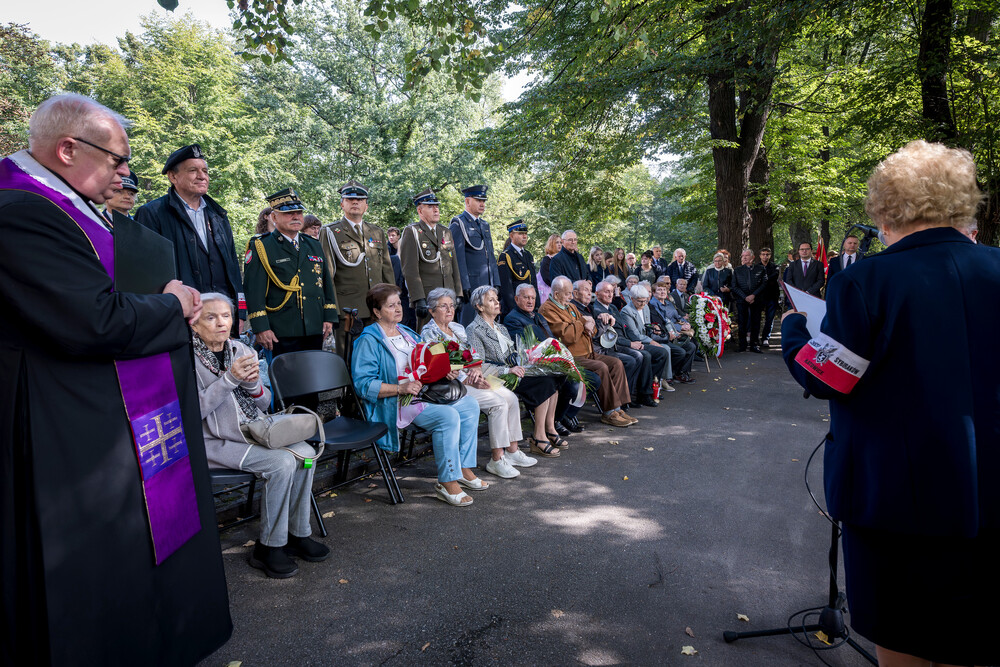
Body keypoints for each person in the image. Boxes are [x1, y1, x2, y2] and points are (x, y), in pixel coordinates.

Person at [1, 93, 231, 665]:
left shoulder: (67, 202)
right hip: (62, 418)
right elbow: (91, 320)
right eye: (117, 160)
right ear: (67, 148)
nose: (125, 173)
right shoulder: (22, 209)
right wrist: (173, 305)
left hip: (111, 402)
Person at [782, 140, 1000, 667]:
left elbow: (830, 376)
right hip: (992, 497)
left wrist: (793, 332)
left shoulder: (867, 281)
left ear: (884, 209)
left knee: (905, 646)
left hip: (897, 502)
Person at [192, 293, 328, 578]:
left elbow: (264, 404)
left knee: (306, 455)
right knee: (280, 463)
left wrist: (254, 385)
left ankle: (297, 534)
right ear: (194, 324)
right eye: (211, 317)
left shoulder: (241, 349)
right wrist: (229, 379)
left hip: (255, 429)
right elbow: (192, 412)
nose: (221, 323)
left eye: (226, 316)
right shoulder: (186, 359)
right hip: (214, 441)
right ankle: (268, 547)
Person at [352, 283, 485, 506]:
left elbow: (428, 361)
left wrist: (446, 369)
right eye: (390, 306)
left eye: (398, 304)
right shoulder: (369, 340)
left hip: (423, 395)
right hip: (395, 402)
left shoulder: (407, 333)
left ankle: (462, 467)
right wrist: (400, 388)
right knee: (448, 417)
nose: (398, 309)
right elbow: (363, 385)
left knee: (469, 405)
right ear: (376, 311)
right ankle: (447, 481)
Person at [421, 287, 537, 478]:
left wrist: (475, 371)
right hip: (452, 386)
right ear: (432, 311)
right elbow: (441, 367)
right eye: (444, 306)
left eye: (451, 305)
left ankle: (513, 451)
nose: (450, 310)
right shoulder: (429, 333)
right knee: (498, 404)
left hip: (471, 379)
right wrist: (468, 378)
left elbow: (473, 355)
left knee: (511, 398)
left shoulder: (457, 328)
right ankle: (497, 460)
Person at [244, 188, 338, 405]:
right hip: (281, 329)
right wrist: (260, 327)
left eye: (298, 213)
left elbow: (325, 284)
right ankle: (289, 430)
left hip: (313, 326)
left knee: (311, 383)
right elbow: (253, 289)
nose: (296, 217)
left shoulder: (312, 244)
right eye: (288, 213)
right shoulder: (261, 245)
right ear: (274, 217)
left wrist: (328, 317)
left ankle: (313, 428)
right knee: (287, 386)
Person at [135, 143, 246, 327]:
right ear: (173, 176)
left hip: (220, 319)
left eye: (205, 170)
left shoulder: (218, 215)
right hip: (180, 319)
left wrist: (240, 312)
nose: (202, 176)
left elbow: (233, 267)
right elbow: (146, 274)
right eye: (193, 170)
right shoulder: (152, 214)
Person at [466, 285, 568, 458]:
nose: (497, 302)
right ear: (479, 306)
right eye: (491, 300)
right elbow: (479, 365)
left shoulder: (501, 328)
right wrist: (508, 369)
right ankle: (538, 437)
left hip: (515, 371)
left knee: (554, 374)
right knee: (544, 382)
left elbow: (513, 353)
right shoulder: (474, 330)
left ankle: (549, 428)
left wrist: (527, 358)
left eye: (497, 299)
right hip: (497, 377)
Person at [540, 276, 634, 427]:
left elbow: (592, 329)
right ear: (556, 294)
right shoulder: (548, 309)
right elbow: (567, 335)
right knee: (601, 367)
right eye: (568, 294)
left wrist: (586, 323)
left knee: (616, 363)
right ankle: (609, 412)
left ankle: (618, 408)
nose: (570, 297)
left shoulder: (569, 307)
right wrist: (583, 322)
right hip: (570, 356)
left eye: (571, 293)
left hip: (587, 351)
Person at [503, 283, 594, 434]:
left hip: (551, 360)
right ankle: (555, 422)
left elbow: (551, 338)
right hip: (535, 364)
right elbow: (524, 347)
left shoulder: (537, 315)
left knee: (591, 380)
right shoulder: (512, 319)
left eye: (533, 297)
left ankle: (562, 417)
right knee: (571, 384)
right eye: (526, 297)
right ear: (516, 299)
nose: (530, 301)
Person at [318, 180, 394, 354]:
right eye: (350, 199)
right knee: (349, 357)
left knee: (378, 354)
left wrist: (391, 303)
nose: (355, 202)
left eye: (360, 199)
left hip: (377, 308)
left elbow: (386, 270)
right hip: (348, 309)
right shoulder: (330, 232)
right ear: (342, 204)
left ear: (366, 206)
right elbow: (326, 275)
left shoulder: (376, 232)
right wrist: (332, 311)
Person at [594, 280, 672, 400]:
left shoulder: (613, 307)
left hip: (627, 341)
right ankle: (637, 394)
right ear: (597, 293)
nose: (610, 295)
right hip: (615, 345)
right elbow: (609, 337)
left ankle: (649, 388)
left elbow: (627, 329)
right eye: (606, 292)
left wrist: (639, 340)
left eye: (611, 291)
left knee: (661, 352)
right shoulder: (597, 310)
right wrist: (631, 343)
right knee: (642, 356)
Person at [398, 188, 464, 329]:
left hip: (448, 295)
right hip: (429, 298)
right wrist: (418, 299)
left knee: (450, 336)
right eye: (430, 206)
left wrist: (458, 293)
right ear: (420, 211)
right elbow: (410, 270)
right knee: (429, 339)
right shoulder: (413, 232)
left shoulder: (445, 231)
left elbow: (454, 265)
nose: (436, 210)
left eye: (437, 206)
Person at [450, 184, 499, 325]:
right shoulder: (458, 224)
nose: (482, 204)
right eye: (478, 200)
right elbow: (458, 259)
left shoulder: (484, 225)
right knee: (471, 324)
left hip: (488, 284)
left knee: (489, 323)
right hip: (472, 286)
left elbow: (490, 255)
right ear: (467, 201)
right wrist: (463, 286)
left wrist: (496, 281)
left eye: (483, 201)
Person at [618, 285, 672, 394]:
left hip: (646, 339)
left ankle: (653, 382)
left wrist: (654, 329)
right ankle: (649, 385)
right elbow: (634, 335)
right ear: (632, 298)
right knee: (662, 351)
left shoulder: (646, 307)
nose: (643, 304)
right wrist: (653, 342)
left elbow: (646, 326)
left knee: (665, 349)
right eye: (640, 301)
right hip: (635, 342)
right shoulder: (626, 311)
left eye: (645, 301)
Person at [649, 281, 695, 382]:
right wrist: (679, 328)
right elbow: (664, 322)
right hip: (667, 333)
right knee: (681, 352)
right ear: (653, 293)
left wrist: (686, 323)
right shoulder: (653, 304)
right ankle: (672, 373)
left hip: (677, 331)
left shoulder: (669, 303)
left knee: (691, 346)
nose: (662, 292)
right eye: (659, 290)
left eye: (664, 290)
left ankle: (681, 373)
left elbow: (678, 316)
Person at [497, 219, 538, 315]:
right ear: (511, 236)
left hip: (530, 307)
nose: (524, 236)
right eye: (520, 233)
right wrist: (514, 311)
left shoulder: (528, 255)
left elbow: (533, 283)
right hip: (515, 309)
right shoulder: (506, 256)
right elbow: (506, 288)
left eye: (525, 233)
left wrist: (536, 306)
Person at [731, 248, 766, 352]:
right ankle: (742, 345)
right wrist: (745, 297)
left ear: (753, 257)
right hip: (742, 300)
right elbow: (734, 286)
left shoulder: (760, 269)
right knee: (742, 322)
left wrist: (753, 295)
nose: (744, 257)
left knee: (756, 322)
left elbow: (764, 283)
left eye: (746, 255)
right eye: (743, 256)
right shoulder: (737, 270)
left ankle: (754, 345)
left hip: (756, 300)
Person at [757, 247, 780, 348]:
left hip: (772, 296)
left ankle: (765, 338)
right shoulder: (756, 267)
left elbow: (772, 277)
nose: (765, 256)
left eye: (767, 254)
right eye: (763, 254)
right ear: (760, 255)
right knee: (756, 318)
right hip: (759, 296)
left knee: (769, 318)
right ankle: (755, 337)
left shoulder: (775, 267)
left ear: (770, 255)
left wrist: (762, 278)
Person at [538, 232, 562, 299]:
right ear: (551, 244)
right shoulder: (547, 260)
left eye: (560, 242)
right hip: (548, 292)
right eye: (557, 242)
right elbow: (546, 278)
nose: (559, 244)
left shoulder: (561, 259)